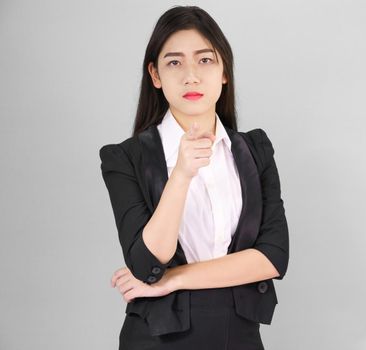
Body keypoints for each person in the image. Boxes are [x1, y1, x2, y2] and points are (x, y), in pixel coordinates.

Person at [98, 5, 289, 350]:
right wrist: (182, 175)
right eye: (174, 63)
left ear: (224, 71)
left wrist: (173, 280)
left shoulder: (254, 149)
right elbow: (145, 264)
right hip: (158, 340)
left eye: (205, 60)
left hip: (239, 337)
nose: (191, 76)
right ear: (155, 75)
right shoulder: (124, 158)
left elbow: (272, 257)